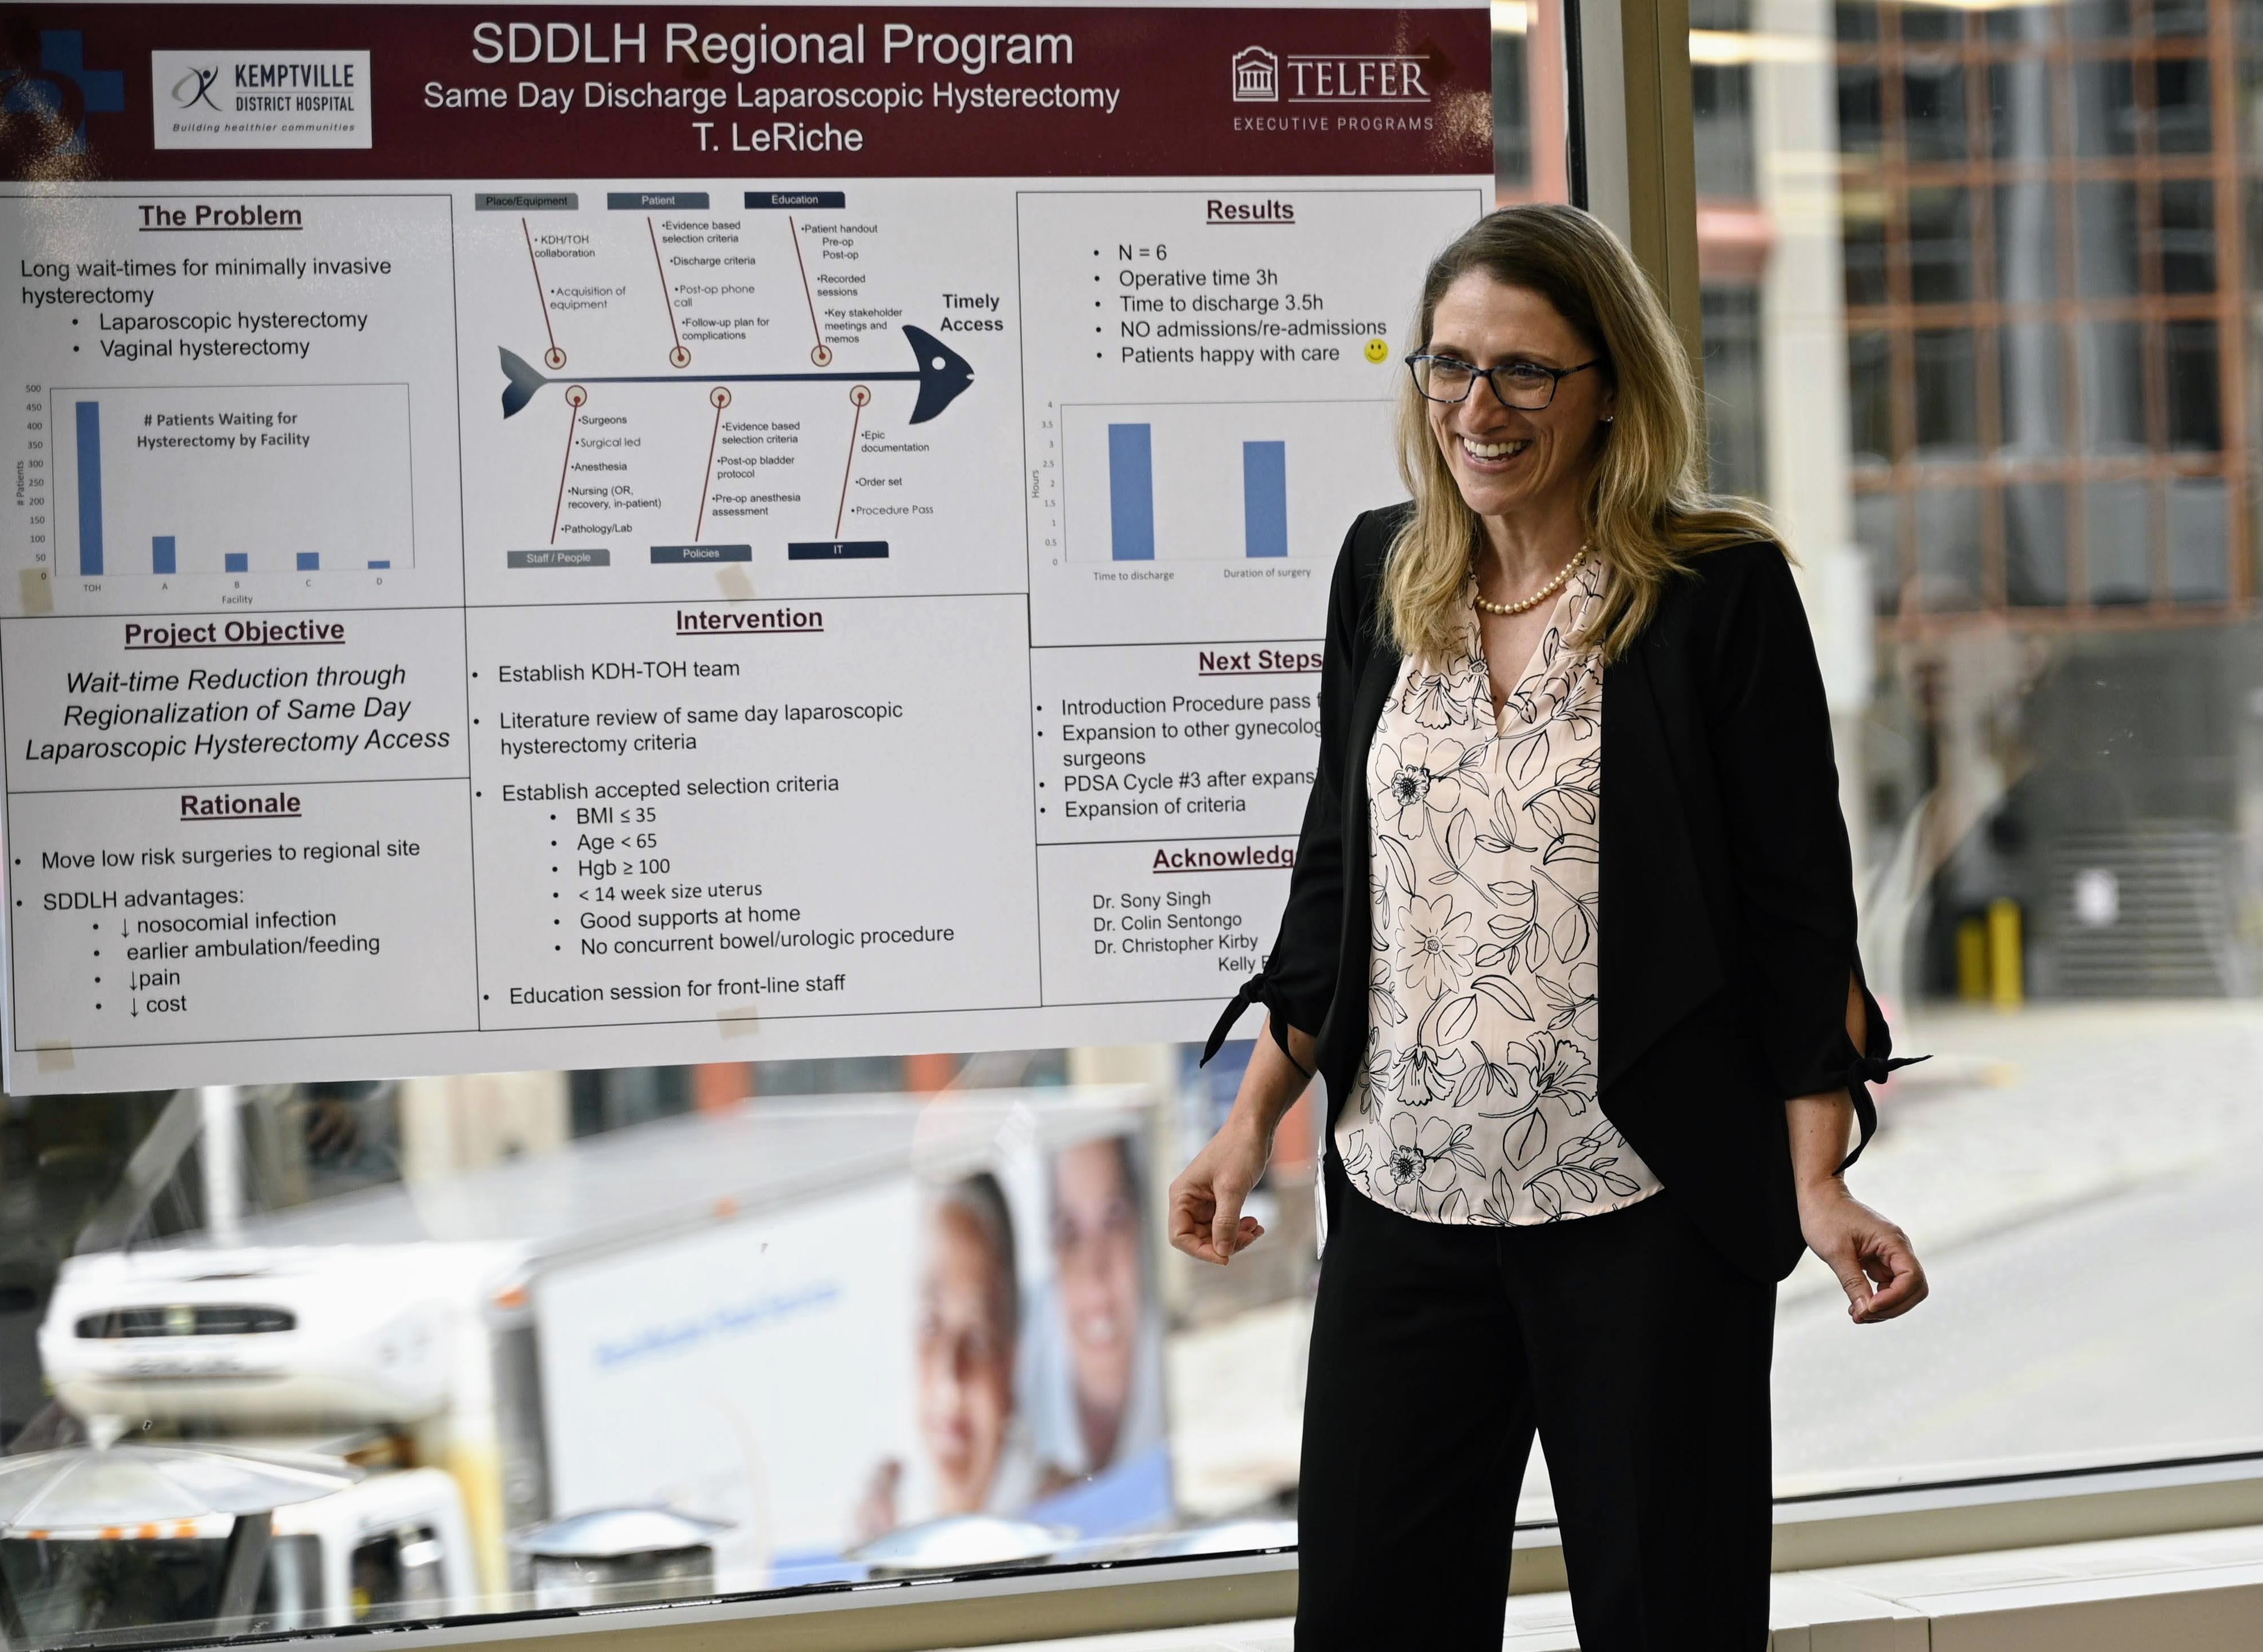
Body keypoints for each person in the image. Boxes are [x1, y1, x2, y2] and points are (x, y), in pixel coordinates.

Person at [1168, 205, 1930, 1651]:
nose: (1478, 407)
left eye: (1524, 371)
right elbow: (1339, 876)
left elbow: (1794, 914)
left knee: (1669, 1624)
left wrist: (1819, 1180)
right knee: (1371, 1622)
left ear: (1609, 386)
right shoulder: (1382, 572)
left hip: (1644, 1214)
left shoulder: (1717, 595)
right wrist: (1250, 1112)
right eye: (1448, 367)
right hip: (1403, 1205)